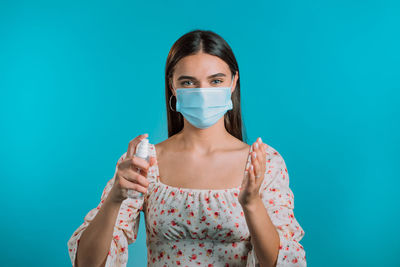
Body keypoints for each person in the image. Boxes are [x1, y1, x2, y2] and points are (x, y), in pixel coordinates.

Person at [67, 29, 306, 267]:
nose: (203, 93)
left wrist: (252, 203)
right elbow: (86, 263)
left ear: (233, 82)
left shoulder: (264, 162)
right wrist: (114, 199)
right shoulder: (145, 161)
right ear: (172, 86)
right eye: (188, 82)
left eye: (216, 81)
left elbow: (283, 263)